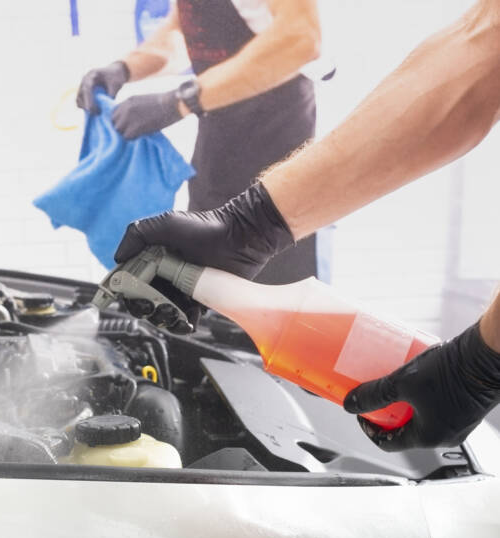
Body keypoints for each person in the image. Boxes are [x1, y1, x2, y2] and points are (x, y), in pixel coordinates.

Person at [112, 0, 500, 451]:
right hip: (252, 176)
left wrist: (485, 359)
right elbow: (484, 47)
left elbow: (300, 39)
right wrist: (252, 222)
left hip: (274, 142)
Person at [77, 0, 324, 284]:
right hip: (217, 152)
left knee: (276, 301)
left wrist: (180, 101)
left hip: (280, 154)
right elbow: (180, 33)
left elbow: (299, 39)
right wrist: (124, 68)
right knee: (204, 288)